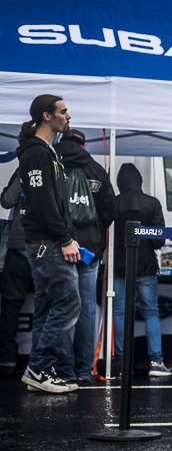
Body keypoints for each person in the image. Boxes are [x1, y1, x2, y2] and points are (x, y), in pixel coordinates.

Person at [16, 95, 81, 393]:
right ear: (46, 116)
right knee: (68, 303)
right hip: (48, 243)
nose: (68, 116)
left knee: (46, 307)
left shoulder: (46, 152)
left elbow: (53, 202)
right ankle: (39, 368)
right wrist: (65, 238)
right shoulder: (36, 154)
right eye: (63, 111)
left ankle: (38, 371)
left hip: (46, 241)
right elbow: (43, 203)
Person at [54, 128, 115, 381]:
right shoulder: (96, 169)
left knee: (59, 307)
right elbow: (110, 209)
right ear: (84, 145)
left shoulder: (52, 163)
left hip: (59, 246)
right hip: (89, 250)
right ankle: (82, 370)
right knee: (87, 309)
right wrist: (95, 232)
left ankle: (64, 368)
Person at [111, 164, 168, 376]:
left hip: (119, 265)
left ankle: (122, 362)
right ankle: (156, 361)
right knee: (151, 312)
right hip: (145, 266)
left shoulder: (114, 203)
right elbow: (159, 240)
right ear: (139, 181)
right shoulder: (152, 203)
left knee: (119, 313)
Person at [0, 171, 31, 377]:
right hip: (44, 246)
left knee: (10, 305)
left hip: (19, 244)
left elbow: (6, 200)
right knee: (48, 305)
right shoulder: (56, 166)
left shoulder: (22, 170)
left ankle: (8, 356)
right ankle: (41, 361)